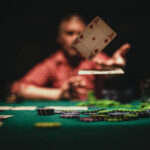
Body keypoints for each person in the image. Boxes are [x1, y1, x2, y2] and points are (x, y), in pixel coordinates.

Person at [10, 13, 131, 101]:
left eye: (81, 34)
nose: (76, 39)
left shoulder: (93, 57)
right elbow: (18, 89)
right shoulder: (53, 62)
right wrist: (60, 94)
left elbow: (109, 72)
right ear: (59, 38)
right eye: (70, 33)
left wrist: (115, 68)